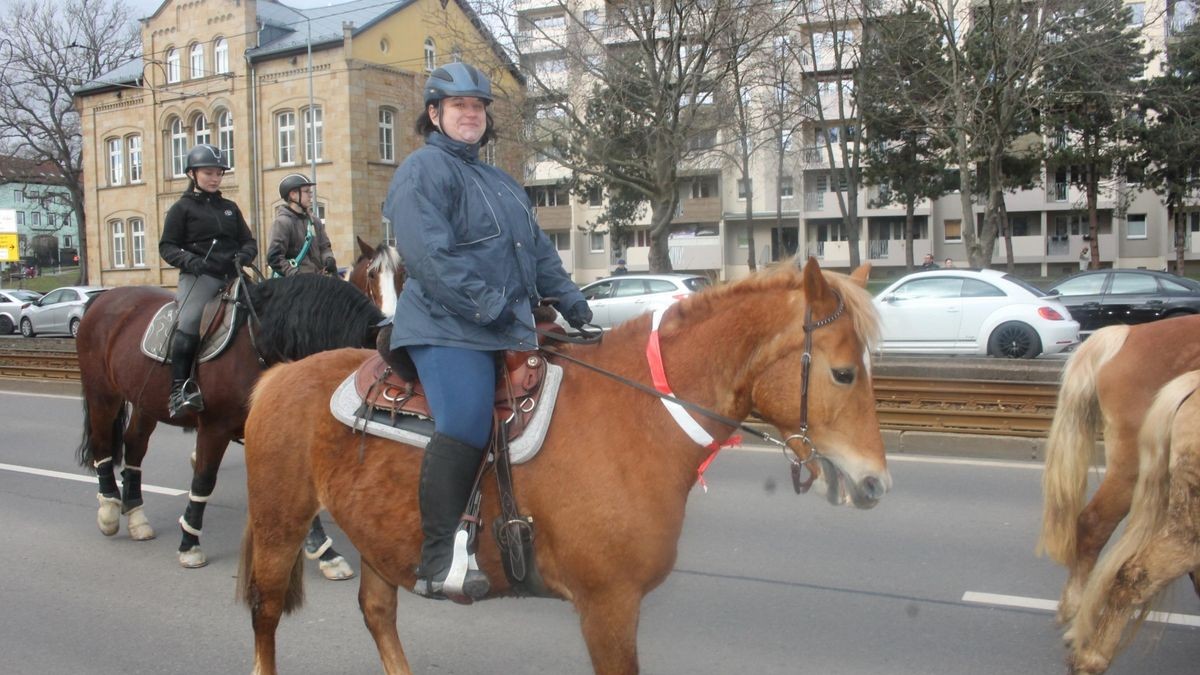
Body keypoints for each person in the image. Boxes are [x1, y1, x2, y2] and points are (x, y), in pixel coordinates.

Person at [383, 62, 591, 603]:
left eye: (477, 106)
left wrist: (571, 301)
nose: (471, 114)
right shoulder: (421, 171)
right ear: (435, 113)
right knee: (469, 420)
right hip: (446, 326)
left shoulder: (500, 181)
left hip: (505, 322)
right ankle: (435, 560)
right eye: (459, 106)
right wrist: (496, 309)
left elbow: (537, 252)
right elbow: (431, 258)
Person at [158, 143, 257, 418]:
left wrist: (246, 253)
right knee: (189, 321)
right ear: (192, 174)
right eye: (208, 173)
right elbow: (167, 246)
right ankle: (180, 389)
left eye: (218, 173)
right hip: (200, 277)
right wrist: (191, 261)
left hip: (232, 275)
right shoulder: (182, 208)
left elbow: (248, 240)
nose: (214, 178)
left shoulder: (229, 208)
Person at [266, 173, 337, 277]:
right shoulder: (282, 223)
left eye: (310, 191)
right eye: (306, 191)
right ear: (293, 194)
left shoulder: (315, 221)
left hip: (318, 280)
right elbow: (275, 258)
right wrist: (296, 275)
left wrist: (328, 259)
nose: (310, 195)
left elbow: (324, 247)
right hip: (294, 284)